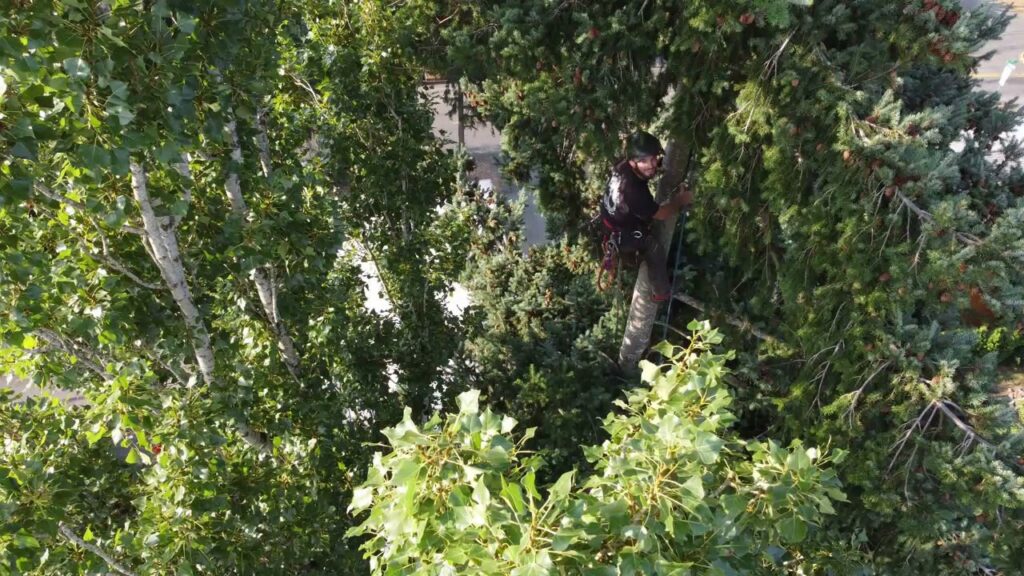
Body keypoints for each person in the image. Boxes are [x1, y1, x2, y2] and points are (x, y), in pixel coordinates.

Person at [599, 131, 692, 301]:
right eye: (643, 161)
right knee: (653, 248)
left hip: (611, 218)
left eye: (653, 158)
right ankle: (661, 292)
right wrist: (680, 200)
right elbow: (662, 214)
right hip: (622, 232)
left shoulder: (623, 167)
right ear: (633, 162)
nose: (651, 165)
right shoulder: (635, 193)